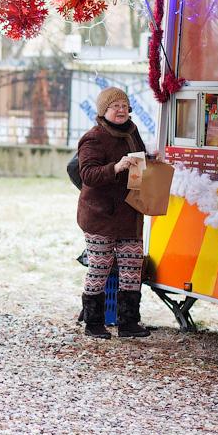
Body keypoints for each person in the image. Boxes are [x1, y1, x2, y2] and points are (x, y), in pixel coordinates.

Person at [77, 86, 150, 339]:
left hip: (130, 212)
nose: (121, 110)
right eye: (115, 106)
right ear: (103, 110)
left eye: (124, 105)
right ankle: (93, 322)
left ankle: (128, 322)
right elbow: (87, 174)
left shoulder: (132, 131)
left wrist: (151, 159)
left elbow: (137, 160)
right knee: (101, 266)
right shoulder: (93, 137)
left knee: (132, 266)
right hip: (100, 215)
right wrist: (116, 167)